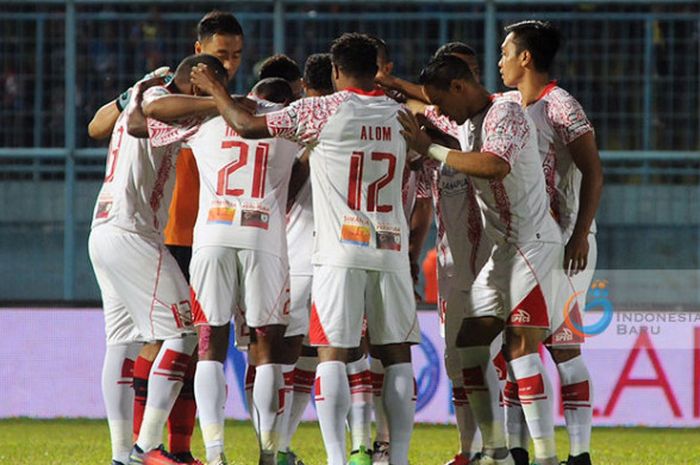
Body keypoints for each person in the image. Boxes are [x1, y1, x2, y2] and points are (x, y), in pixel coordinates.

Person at [190, 32, 420, 465]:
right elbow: (432, 152)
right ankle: (398, 457)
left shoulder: (321, 109)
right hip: (390, 249)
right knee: (396, 357)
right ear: (378, 70)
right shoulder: (401, 116)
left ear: (335, 72)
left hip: (339, 251)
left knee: (331, 353)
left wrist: (219, 90)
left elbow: (245, 126)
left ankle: (336, 458)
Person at [87, 12, 245, 464]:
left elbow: (105, 126)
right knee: (184, 332)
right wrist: (219, 103)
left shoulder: (156, 92)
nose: (229, 67)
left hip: (114, 231)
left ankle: (125, 454)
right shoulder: (157, 92)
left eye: (235, 56)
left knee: (123, 341)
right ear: (197, 62)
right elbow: (133, 121)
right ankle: (145, 447)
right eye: (220, 58)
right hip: (138, 234)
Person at [398, 54, 563, 465]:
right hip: (504, 250)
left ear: (459, 87)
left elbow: (494, 165)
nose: (442, 113)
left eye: (442, 102)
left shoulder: (505, 109)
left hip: (534, 243)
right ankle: (495, 451)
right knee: (470, 347)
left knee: (522, 346)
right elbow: (443, 128)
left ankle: (544, 456)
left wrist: (430, 147)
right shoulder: (467, 121)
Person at [147, 76, 299, 465]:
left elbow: (146, 119)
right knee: (266, 347)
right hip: (264, 237)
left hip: (213, 234)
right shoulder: (290, 120)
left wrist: (212, 99)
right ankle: (267, 451)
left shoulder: (209, 118)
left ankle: (215, 453)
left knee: (210, 345)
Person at [498, 20, 603, 465]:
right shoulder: (509, 104)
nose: (499, 60)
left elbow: (594, 172)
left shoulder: (560, 106)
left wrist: (579, 235)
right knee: (542, 345)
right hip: (535, 241)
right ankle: (551, 454)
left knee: (533, 344)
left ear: (525, 57)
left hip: (563, 242)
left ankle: (554, 454)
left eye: (506, 51)